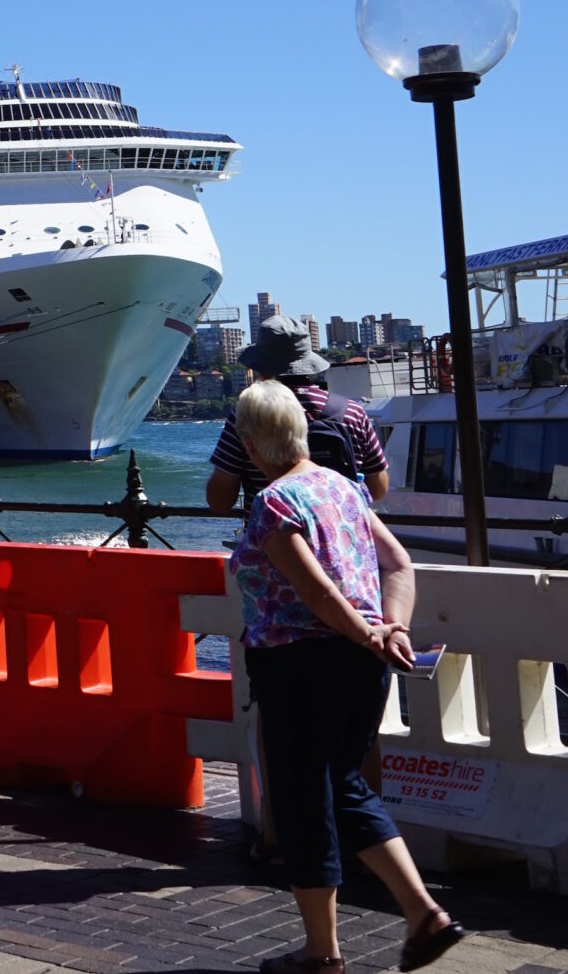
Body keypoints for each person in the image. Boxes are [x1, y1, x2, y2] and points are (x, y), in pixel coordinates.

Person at [231, 381, 465, 973]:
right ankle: (423, 913)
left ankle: (321, 954)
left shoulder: (275, 502)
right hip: (364, 667)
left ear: (254, 444)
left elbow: (314, 590)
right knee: (345, 786)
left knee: (303, 801)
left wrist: (366, 632)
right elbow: (399, 563)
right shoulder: (344, 488)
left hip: (300, 667)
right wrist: (394, 630)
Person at [208, 316, 389, 513]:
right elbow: (378, 489)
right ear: (308, 364)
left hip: (271, 536)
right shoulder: (352, 412)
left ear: (261, 368)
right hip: (339, 535)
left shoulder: (246, 413)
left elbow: (220, 502)